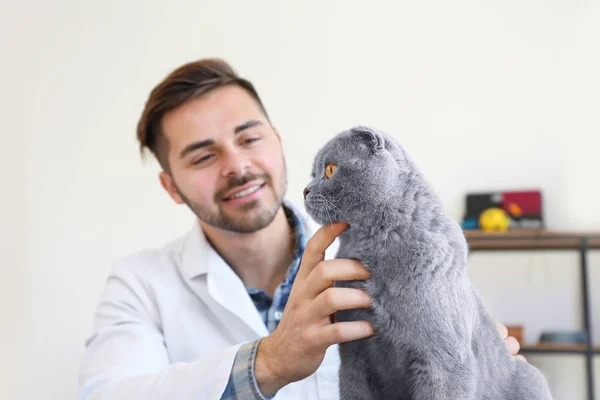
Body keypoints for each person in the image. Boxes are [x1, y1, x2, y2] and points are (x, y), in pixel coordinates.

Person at [77, 58, 523, 400]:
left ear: (277, 139)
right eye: (203, 156)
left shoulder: (396, 251)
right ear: (171, 186)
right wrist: (267, 362)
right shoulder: (139, 285)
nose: (238, 166)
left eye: (249, 139)